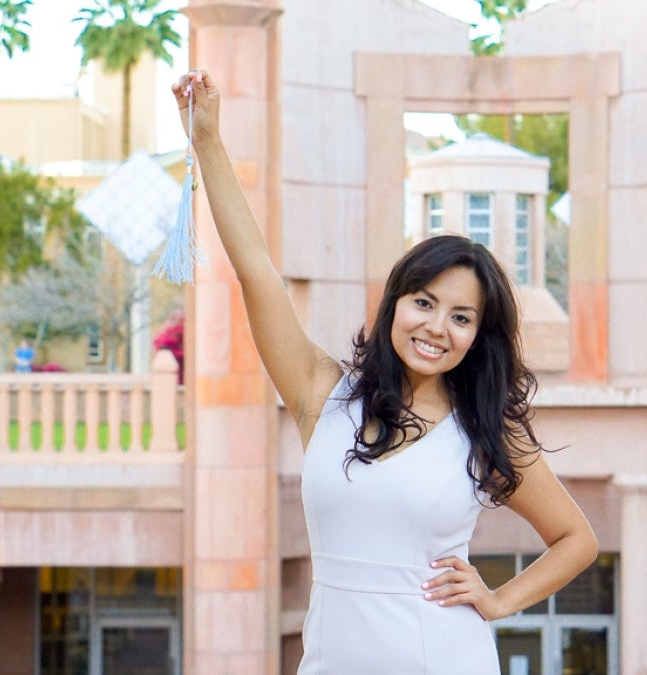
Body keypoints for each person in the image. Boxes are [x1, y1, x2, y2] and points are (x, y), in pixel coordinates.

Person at [171, 70, 597, 673]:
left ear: (478, 336)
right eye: (423, 302)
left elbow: (577, 540)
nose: (436, 327)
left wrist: (500, 600)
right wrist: (207, 139)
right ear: (395, 302)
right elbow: (257, 272)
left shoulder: (485, 430)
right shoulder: (323, 394)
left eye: (461, 316)